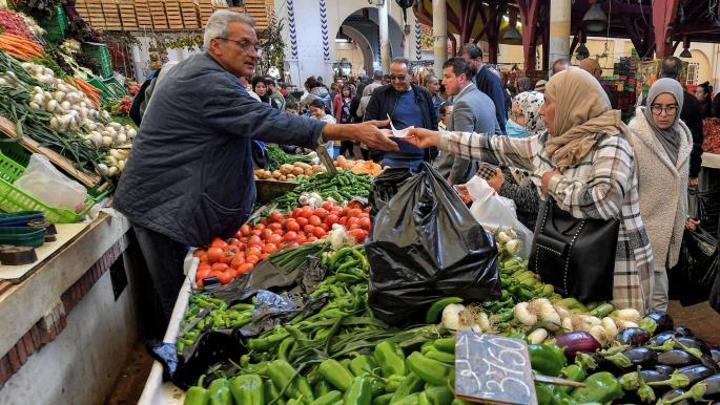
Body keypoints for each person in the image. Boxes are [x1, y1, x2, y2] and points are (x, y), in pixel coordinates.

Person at [113, 10, 397, 328]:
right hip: (164, 207)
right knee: (178, 305)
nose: (253, 53)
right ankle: (179, 361)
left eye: (255, 46)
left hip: (169, 201)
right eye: (244, 44)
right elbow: (268, 121)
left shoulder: (208, 74)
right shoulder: (206, 81)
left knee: (181, 296)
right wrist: (347, 131)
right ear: (216, 45)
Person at [404, 67, 653, 312]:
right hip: (571, 259)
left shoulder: (612, 144)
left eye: (548, 102)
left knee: (620, 335)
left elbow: (605, 201)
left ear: (572, 104)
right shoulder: (551, 143)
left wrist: (554, 184)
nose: (542, 111)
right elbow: (494, 146)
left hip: (615, 266)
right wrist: (437, 138)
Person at [628, 79, 699, 312]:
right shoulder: (635, 138)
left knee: (656, 299)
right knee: (654, 300)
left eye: (671, 107)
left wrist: (684, 213)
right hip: (641, 231)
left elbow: (677, 186)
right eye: (657, 106)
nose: (663, 114)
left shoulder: (682, 138)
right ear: (649, 105)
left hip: (669, 230)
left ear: (679, 108)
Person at [365, 57, 438, 170]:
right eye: (393, 77)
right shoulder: (380, 94)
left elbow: (433, 124)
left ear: (411, 75)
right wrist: (378, 157)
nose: (396, 81)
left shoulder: (423, 94)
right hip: (389, 160)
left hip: (420, 161)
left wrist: (432, 152)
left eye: (401, 77)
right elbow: (369, 126)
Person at [487, 91, 546, 229]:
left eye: (519, 115)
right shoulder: (514, 146)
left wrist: (503, 186)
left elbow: (538, 200)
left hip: (533, 228)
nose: (512, 121)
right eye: (512, 114)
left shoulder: (545, 150)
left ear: (536, 117)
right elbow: (508, 173)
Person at [433, 57, 493, 185]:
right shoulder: (486, 98)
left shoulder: (463, 104)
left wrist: (452, 179)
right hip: (483, 174)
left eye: (447, 77)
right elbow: (496, 134)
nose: (443, 82)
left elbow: (463, 150)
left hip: (465, 180)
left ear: (461, 78)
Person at [660, 57, 703, 187]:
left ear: (660, 74)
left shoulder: (649, 100)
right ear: (680, 75)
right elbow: (696, 141)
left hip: (655, 166)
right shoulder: (692, 102)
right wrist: (694, 172)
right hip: (681, 166)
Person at [461, 43, 507, 134]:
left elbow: (499, 111)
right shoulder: (476, 76)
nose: (464, 67)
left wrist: (499, 137)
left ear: (478, 60)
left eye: (467, 63)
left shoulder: (491, 80)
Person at [336, 84, 356, 157]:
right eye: (344, 90)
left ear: (350, 91)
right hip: (342, 121)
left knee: (350, 137)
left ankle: (350, 151)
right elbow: (335, 109)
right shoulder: (338, 98)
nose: (346, 92)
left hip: (351, 121)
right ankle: (342, 152)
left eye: (347, 90)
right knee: (343, 137)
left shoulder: (353, 98)